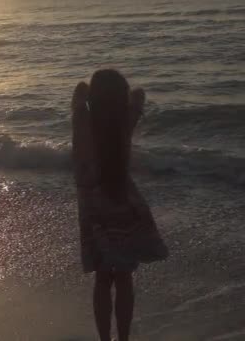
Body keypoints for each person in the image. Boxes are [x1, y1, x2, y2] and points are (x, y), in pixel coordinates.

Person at [71, 69, 169, 341]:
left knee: (102, 278)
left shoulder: (82, 121)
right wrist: (121, 98)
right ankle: (123, 338)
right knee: (124, 276)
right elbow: (139, 94)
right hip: (123, 202)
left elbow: (78, 92)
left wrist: (91, 93)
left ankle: (105, 338)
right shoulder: (124, 122)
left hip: (93, 209)